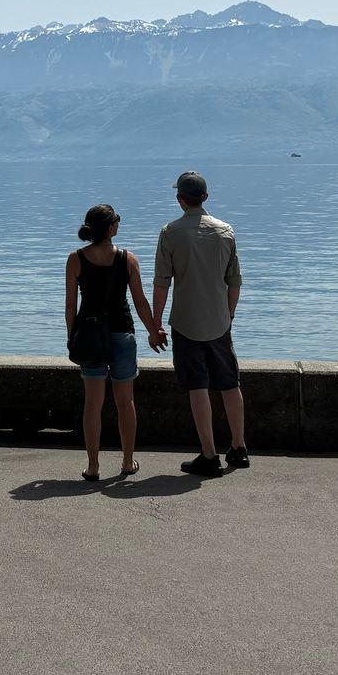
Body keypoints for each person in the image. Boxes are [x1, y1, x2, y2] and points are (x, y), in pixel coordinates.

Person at [149, 170, 248, 477]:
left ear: (180, 199)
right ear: (206, 197)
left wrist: (156, 324)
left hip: (185, 322)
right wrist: (228, 316)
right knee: (230, 384)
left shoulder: (170, 233)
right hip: (219, 321)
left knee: (197, 386)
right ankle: (239, 447)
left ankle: (209, 454)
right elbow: (234, 283)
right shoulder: (225, 231)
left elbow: (162, 284)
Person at [64, 203, 163, 481]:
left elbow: (71, 305)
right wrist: (154, 331)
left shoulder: (76, 259)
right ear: (110, 228)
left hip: (90, 335)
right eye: (117, 221)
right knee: (125, 401)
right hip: (122, 332)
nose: (118, 224)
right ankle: (128, 461)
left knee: (93, 404)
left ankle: (93, 465)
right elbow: (140, 302)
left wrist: (72, 337)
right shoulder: (128, 259)